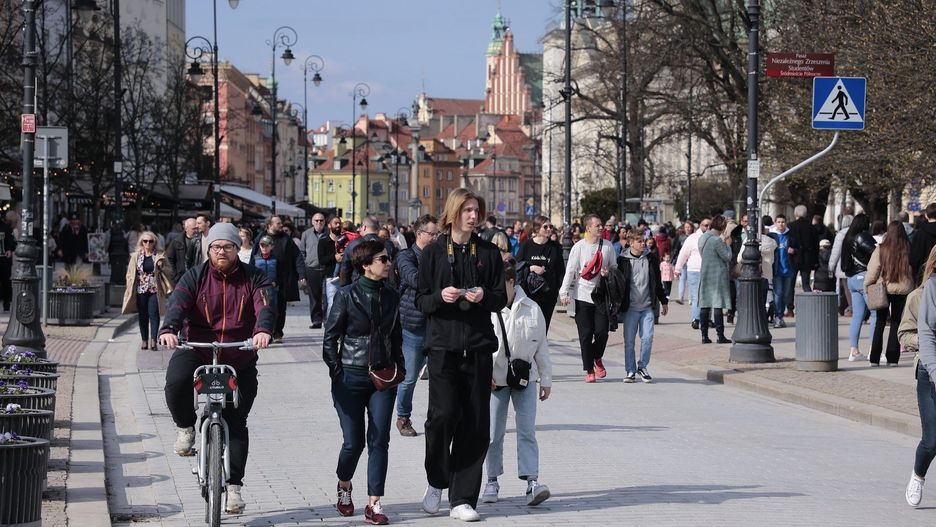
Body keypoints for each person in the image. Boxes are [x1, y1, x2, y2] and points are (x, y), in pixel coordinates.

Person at [158, 223, 275, 514]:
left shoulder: (254, 277)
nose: (221, 251)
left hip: (240, 355)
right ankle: (186, 427)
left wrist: (263, 330)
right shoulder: (194, 276)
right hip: (199, 349)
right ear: (208, 249)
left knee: (237, 420)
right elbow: (178, 303)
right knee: (176, 382)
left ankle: (234, 488)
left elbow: (265, 305)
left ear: (238, 249)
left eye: (228, 247)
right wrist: (169, 328)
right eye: (216, 247)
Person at [415, 188, 507, 522]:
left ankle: (463, 498)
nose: (473, 215)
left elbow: (501, 298)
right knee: (441, 417)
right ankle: (436, 480)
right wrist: (441, 296)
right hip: (442, 346)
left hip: (479, 346)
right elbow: (420, 301)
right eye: (467, 209)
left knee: (476, 423)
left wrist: (485, 295)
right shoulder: (434, 253)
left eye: (476, 210)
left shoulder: (488, 252)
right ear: (454, 212)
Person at [323, 239, 403, 525]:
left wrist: (399, 369)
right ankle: (344, 486)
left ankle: (374, 503)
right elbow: (330, 338)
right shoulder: (346, 295)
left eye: (388, 258)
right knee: (353, 442)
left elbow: (396, 335)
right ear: (366, 265)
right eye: (383, 259)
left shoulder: (392, 296)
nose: (389, 263)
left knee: (380, 439)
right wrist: (337, 373)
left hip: (382, 378)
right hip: (350, 377)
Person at [482, 260, 552, 507]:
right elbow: (482, 346)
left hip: (525, 378)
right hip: (495, 380)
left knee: (527, 431)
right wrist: (484, 372)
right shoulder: (489, 308)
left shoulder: (532, 308)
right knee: (492, 434)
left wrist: (546, 379)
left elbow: (542, 346)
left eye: (501, 286)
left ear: (512, 282)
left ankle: (532, 481)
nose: (497, 291)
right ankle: (491, 480)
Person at [558, 214, 618, 383]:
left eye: (601, 225)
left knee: (602, 332)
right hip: (582, 296)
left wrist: (608, 273)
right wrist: (564, 293)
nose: (601, 228)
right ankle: (589, 369)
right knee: (585, 334)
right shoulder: (579, 247)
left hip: (601, 296)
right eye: (597, 225)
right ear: (588, 228)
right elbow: (570, 270)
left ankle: (597, 356)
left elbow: (614, 267)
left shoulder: (607, 246)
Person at [394, 214, 438, 437]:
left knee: (440, 377)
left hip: (437, 325)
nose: (435, 237)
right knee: (409, 377)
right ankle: (403, 418)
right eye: (432, 234)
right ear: (420, 234)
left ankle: (438, 419)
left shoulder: (438, 254)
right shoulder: (406, 256)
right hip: (413, 326)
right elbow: (413, 278)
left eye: (437, 234)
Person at [618, 230, 669, 380]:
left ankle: (642, 366)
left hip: (647, 306)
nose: (643, 244)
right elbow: (618, 284)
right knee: (629, 341)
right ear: (631, 242)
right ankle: (630, 370)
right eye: (639, 241)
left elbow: (657, 282)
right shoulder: (622, 260)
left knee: (647, 338)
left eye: (644, 241)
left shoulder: (651, 258)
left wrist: (663, 301)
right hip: (630, 308)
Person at [908, 245, 936, 507]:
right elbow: (920, 333)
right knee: (932, 440)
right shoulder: (924, 292)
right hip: (930, 371)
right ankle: (918, 476)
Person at [864, 221, 914, 366]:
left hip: (883, 288)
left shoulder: (881, 249)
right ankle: (893, 358)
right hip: (903, 289)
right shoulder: (908, 248)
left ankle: (874, 358)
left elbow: (873, 270)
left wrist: (867, 285)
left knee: (880, 322)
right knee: (896, 322)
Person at [250, 216, 305, 342]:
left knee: (280, 308)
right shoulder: (260, 238)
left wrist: (301, 274)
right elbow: (253, 260)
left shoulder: (286, 239)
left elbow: (297, 256)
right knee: (264, 307)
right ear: (269, 225)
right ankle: (266, 332)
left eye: (281, 222)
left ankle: (278, 332)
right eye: (278, 223)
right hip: (263, 282)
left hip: (282, 280)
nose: (281, 225)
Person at [121, 231, 171, 350]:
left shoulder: (160, 255)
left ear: (155, 243)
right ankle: (144, 340)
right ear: (141, 243)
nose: (148, 243)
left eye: (150, 241)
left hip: (154, 289)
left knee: (154, 313)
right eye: (145, 241)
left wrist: (161, 266)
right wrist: (130, 284)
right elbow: (129, 273)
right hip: (140, 289)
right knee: (143, 315)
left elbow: (169, 270)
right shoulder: (136, 256)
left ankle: (153, 340)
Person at [516, 216, 565, 329]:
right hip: (529, 293)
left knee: (543, 327)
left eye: (551, 226)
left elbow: (560, 270)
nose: (549, 229)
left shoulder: (555, 247)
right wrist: (531, 268)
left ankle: (540, 347)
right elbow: (517, 266)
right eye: (545, 227)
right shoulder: (527, 245)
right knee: (529, 327)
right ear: (537, 229)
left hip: (549, 294)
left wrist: (561, 290)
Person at [841, 213, 875, 362]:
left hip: (852, 279)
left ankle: (853, 350)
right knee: (876, 314)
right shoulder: (862, 236)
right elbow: (875, 252)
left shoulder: (847, 237)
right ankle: (874, 350)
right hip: (864, 277)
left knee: (857, 316)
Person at [697, 215, 732, 344]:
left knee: (705, 305)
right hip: (717, 275)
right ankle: (720, 335)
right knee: (717, 305)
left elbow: (703, 254)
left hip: (705, 273)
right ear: (722, 227)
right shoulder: (717, 240)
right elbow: (727, 257)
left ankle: (704, 335)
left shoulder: (703, 237)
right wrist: (727, 245)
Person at [674, 218, 710, 328]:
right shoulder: (692, 238)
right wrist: (678, 269)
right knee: (696, 296)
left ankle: (707, 319)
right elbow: (683, 253)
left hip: (709, 271)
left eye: (709, 225)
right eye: (705, 225)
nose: (707, 227)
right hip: (694, 270)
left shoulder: (714, 238)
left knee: (708, 296)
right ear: (700, 225)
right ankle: (696, 319)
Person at [767, 215, 798, 329]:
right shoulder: (771, 235)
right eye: (779, 222)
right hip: (776, 269)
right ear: (775, 223)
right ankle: (778, 316)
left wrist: (794, 250)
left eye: (783, 222)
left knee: (785, 294)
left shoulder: (790, 235)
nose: (781, 224)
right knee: (778, 293)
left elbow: (798, 248)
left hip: (788, 269)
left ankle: (780, 316)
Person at [301, 213, 328, 329]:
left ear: (324, 222)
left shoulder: (329, 233)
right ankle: (316, 320)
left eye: (321, 220)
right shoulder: (306, 234)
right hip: (312, 269)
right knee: (314, 297)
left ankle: (327, 320)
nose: (319, 223)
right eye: (316, 220)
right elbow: (302, 252)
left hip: (327, 269)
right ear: (312, 222)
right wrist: (304, 268)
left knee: (328, 296)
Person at [829, 215, 855, 316]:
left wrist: (831, 267)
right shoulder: (857, 233)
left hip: (843, 266)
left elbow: (836, 252)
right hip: (857, 267)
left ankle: (851, 308)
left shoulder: (841, 234)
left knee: (847, 289)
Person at [319, 216, 344, 318]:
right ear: (329, 225)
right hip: (331, 277)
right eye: (335, 223)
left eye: (339, 223)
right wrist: (334, 257)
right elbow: (321, 260)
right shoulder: (324, 241)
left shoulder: (345, 240)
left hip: (344, 276)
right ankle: (330, 327)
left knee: (343, 305)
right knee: (331, 304)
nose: (338, 225)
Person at [910, 203, 936, 284]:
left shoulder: (919, 234)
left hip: (923, 276)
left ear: (926, 215)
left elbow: (914, 258)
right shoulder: (919, 232)